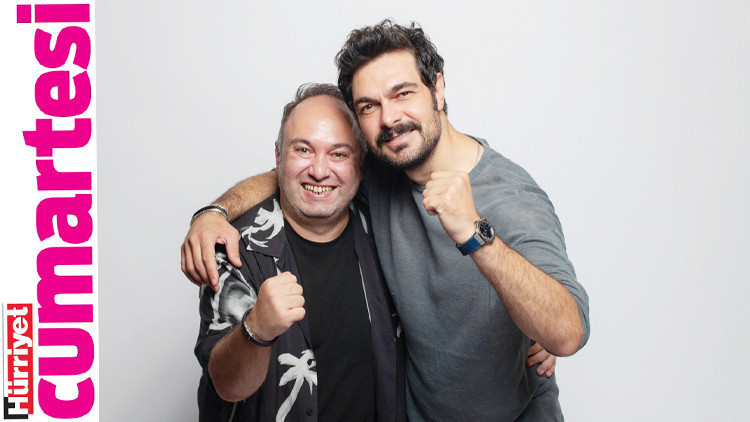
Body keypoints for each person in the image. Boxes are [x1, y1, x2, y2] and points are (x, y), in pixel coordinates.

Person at [185, 20, 586, 420]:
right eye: (369, 106)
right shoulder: (382, 171)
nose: (389, 118)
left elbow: (567, 333)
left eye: (402, 93)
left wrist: (475, 235)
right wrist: (215, 212)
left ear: (438, 89)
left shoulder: (511, 196)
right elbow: (304, 173)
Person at [194, 83, 406, 421]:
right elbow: (227, 386)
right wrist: (256, 329)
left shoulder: (384, 232)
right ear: (278, 157)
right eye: (303, 150)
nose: (319, 171)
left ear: (361, 165)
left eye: (339, 154)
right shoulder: (237, 249)